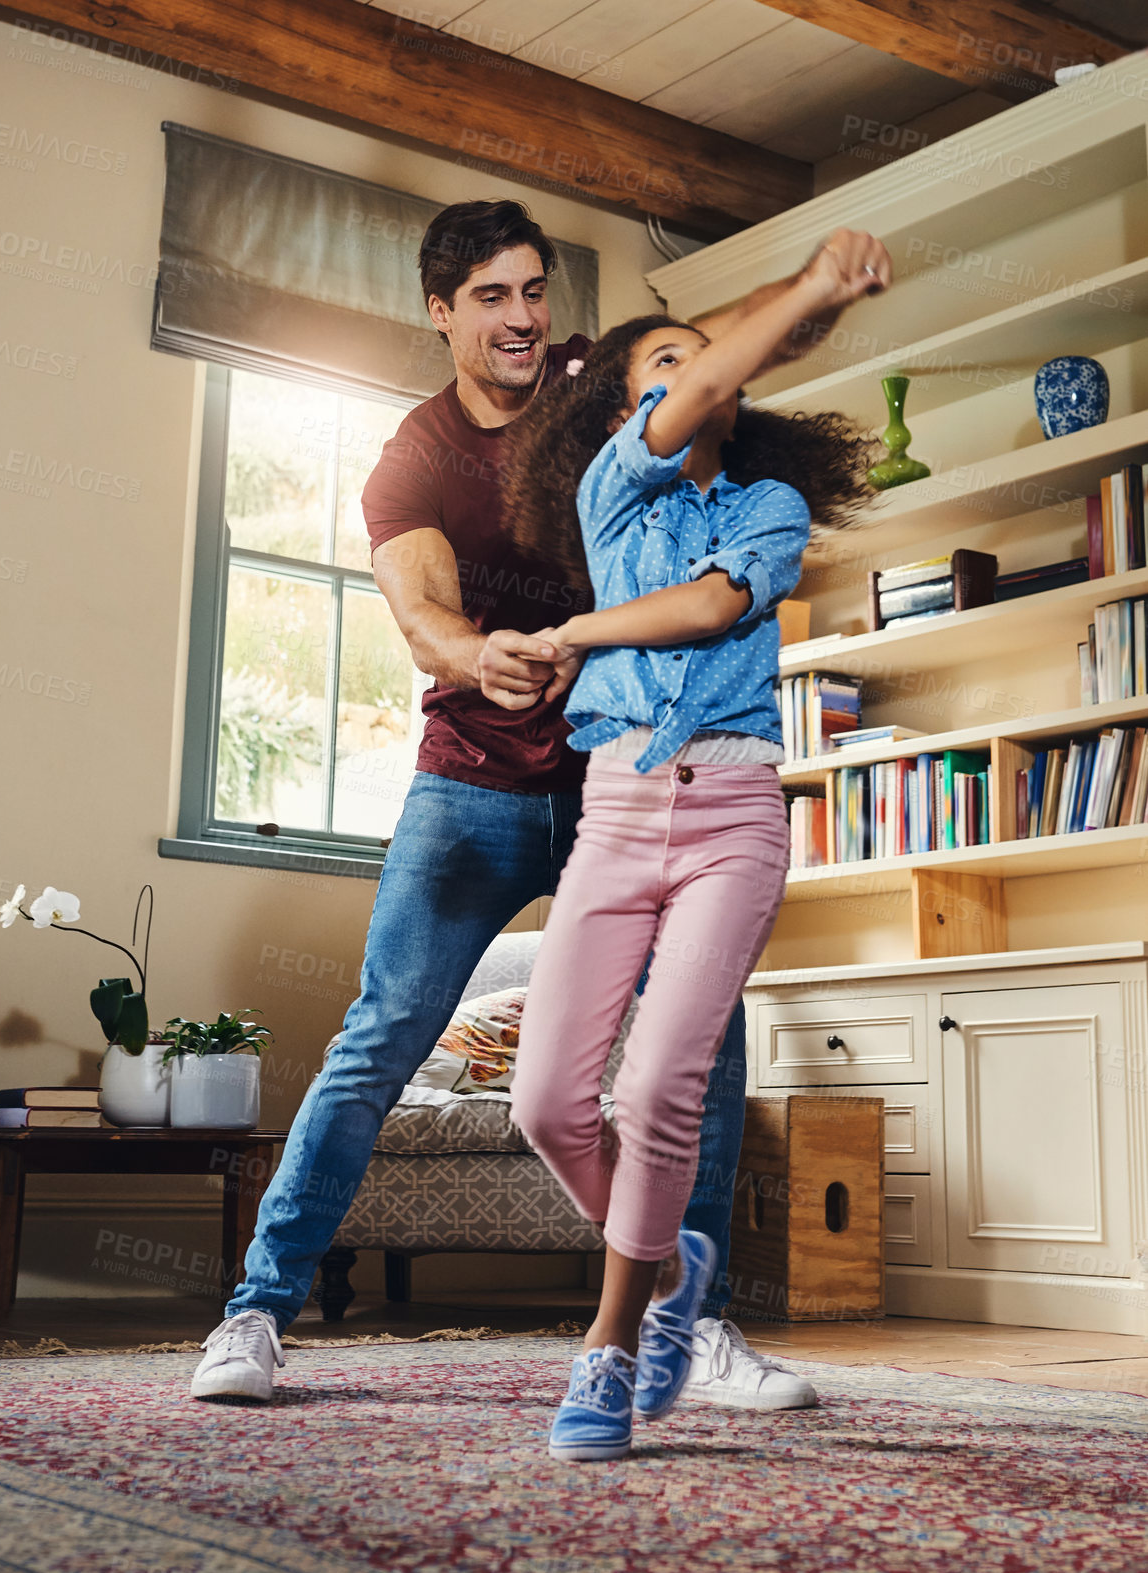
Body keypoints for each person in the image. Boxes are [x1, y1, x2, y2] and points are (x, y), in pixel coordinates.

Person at [190, 199, 888, 1407]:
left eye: (535, 292)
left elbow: (720, 350)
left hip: (636, 779)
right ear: (442, 314)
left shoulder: (602, 387)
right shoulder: (418, 454)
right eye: (493, 298)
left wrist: (815, 288)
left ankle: (692, 1321)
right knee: (384, 1031)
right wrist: (478, 656)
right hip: (479, 785)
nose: (523, 319)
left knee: (700, 1048)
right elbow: (418, 613)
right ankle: (256, 1312)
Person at [504, 254, 883, 1460]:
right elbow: (703, 379)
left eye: (705, 358)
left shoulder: (769, 508)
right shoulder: (613, 495)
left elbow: (715, 610)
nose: (698, 371)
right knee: (549, 1106)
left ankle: (613, 1349)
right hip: (614, 814)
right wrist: (804, 288)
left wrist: (568, 629)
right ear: (629, 415)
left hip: (731, 816)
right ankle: (673, 1272)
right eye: (666, 362)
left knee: (655, 1088)